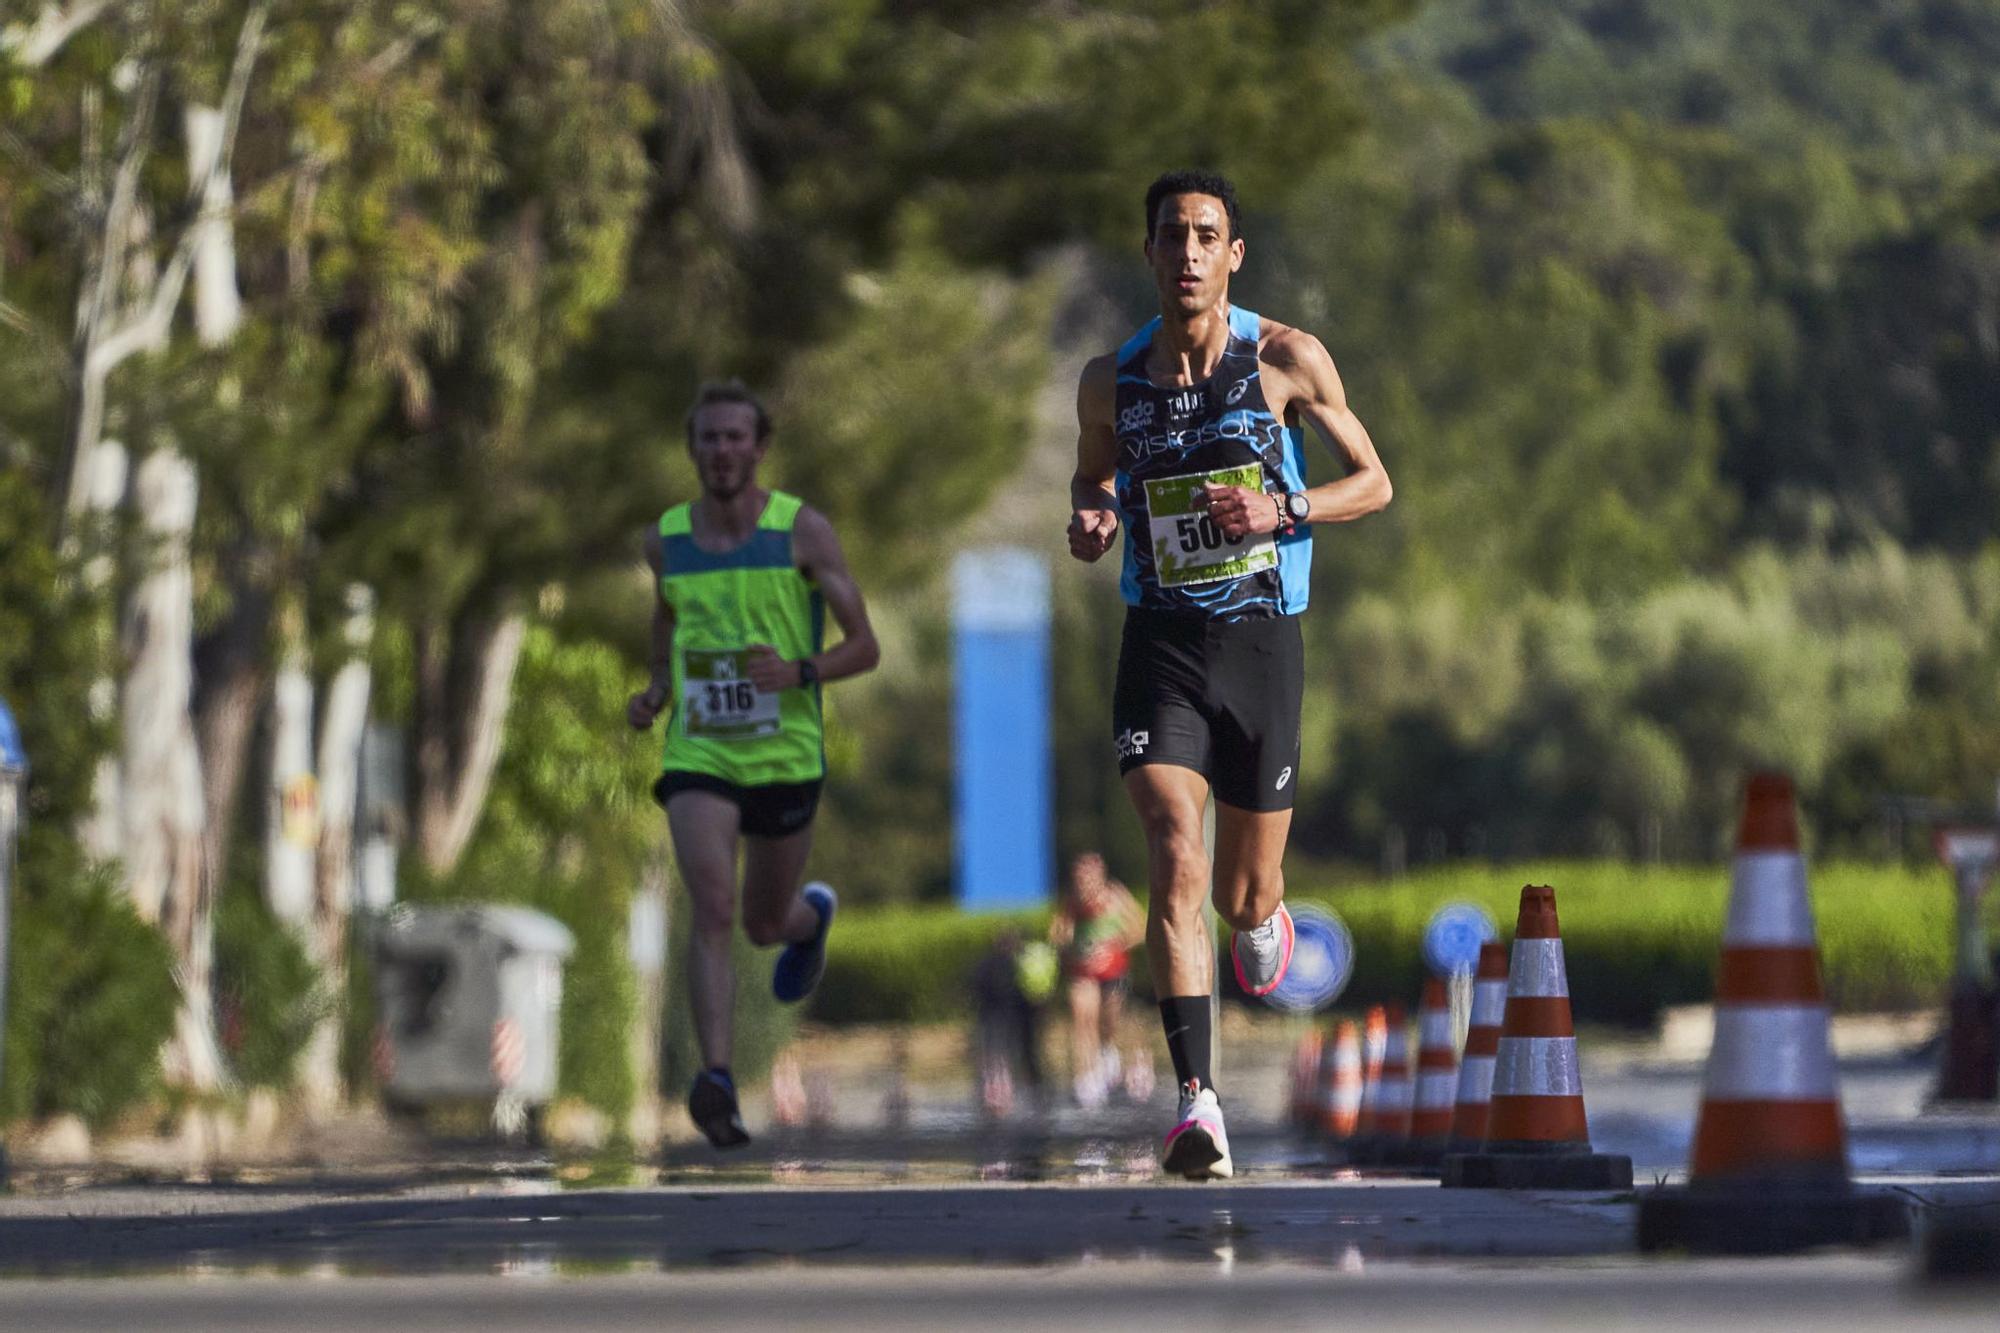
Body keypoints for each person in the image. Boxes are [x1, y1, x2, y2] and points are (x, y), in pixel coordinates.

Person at [1066, 170, 1393, 1179]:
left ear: (1233, 255)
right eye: (1172, 236)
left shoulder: (1284, 357)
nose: (1190, 253)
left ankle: (1265, 914)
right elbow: (1092, 471)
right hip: (1160, 642)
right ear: (1151, 253)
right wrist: (1090, 512)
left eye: (1208, 235)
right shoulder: (1108, 379)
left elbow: (1374, 483)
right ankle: (1195, 1104)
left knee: (1246, 897)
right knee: (1173, 851)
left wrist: (1283, 511)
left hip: (1261, 646)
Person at [628, 380, 881, 1149]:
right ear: (692, 450)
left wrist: (800, 671)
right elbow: (667, 620)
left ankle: (812, 918)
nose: (722, 451)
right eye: (708, 438)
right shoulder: (664, 540)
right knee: (711, 905)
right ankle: (716, 1078)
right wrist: (657, 690)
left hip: (784, 751)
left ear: (759, 446)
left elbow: (864, 646)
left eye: (736, 436)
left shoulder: (802, 530)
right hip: (700, 746)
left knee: (767, 921)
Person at [1048, 852, 1146, 1108]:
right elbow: (1057, 935)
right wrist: (1070, 948)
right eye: (1080, 879)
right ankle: (1085, 1078)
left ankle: (1108, 1052)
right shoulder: (1071, 903)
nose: (1085, 886)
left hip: (1113, 971)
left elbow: (1139, 929)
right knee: (1083, 1018)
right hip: (1083, 971)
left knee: (1109, 1020)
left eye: (1090, 878)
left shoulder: (1115, 896)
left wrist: (1115, 946)